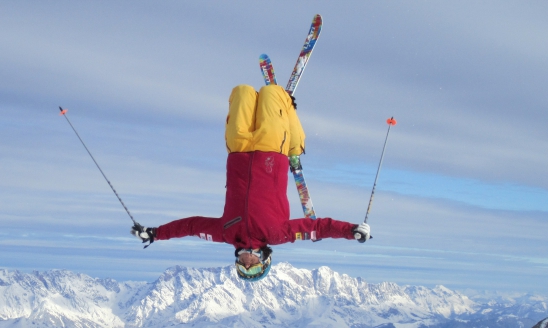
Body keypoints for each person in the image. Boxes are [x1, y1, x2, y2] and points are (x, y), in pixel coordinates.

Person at [131, 84, 370, 282]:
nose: (247, 263)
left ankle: (285, 114)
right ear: (266, 260)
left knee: (242, 92)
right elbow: (319, 228)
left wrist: (155, 233)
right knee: (272, 94)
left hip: (238, 150)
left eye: (242, 268)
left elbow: (191, 226)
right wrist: (352, 231)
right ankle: (287, 111)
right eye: (254, 268)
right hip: (271, 150)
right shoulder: (278, 235)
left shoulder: (226, 233)